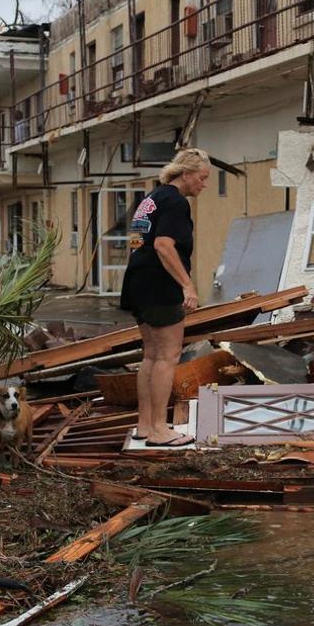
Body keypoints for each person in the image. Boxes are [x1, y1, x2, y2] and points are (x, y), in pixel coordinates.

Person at [119, 148, 212, 447]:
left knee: (150, 355)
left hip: (137, 283)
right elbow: (162, 245)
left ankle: (145, 426)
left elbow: (136, 242)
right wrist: (188, 285)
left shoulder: (151, 199)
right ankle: (160, 430)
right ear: (186, 174)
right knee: (168, 356)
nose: (204, 184)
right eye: (202, 177)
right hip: (160, 287)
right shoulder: (175, 202)